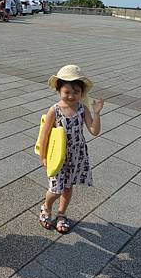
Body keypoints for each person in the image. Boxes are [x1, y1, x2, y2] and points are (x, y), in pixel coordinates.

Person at [38, 65, 104, 233]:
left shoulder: (82, 109)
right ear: (59, 89)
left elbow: (94, 131)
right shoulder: (55, 110)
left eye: (76, 92)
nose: (71, 96)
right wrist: (43, 156)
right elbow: (44, 135)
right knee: (55, 189)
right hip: (58, 156)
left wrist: (97, 113)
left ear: (82, 93)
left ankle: (62, 213)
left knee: (68, 187)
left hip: (76, 155)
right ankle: (46, 207)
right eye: (67, 91)